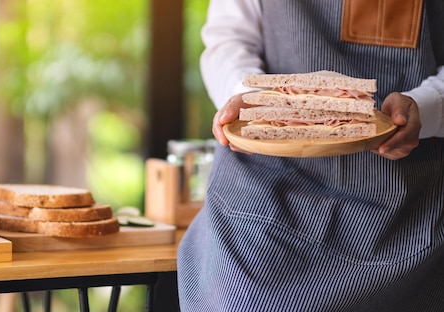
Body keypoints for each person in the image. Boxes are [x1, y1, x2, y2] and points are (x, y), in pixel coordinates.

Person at [177, 0, 444, 311]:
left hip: (407, 199)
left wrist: (424, 107)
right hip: (261, 185)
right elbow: (229, 37)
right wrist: (251, 98)